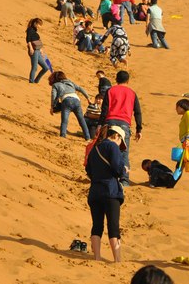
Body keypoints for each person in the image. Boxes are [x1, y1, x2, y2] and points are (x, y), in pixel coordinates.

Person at [85, 125, 127, 262]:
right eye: (121, 142)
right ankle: (117, 259)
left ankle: (96, 257)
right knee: (113, 226)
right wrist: (124, 170)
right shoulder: (112, 146)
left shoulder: (94, 148)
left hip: (95, 191)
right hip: (110, 191)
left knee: (97, 225)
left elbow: (89, 170)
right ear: (117, 136)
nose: (120, 146)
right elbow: (117, 167)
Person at [99, 70, 142, 186]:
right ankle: (124, 180)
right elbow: (137, 112)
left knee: (108, 150)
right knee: (124, 152)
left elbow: (105, 110)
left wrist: (100, 124)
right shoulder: (132, 93)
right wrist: (139, 129)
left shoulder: (110, 90)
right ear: (128, 81)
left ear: (116, 79)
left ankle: (108, 176)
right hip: (124, 124)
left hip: (110, 123)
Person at [49, 71, 92, 140]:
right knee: (81, 121)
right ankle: (88, 138)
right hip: (76, 100)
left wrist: (52, 107)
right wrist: (88, 98)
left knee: (64, 120)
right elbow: (80, 88)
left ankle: (63, 136)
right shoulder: (70, 82)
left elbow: (53, 96)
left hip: (66, 101)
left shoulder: (56, 85)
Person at [26, 18, 49, 84]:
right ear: (35, 23)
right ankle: (31, 81)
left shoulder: (35, 30)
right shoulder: (30, 30)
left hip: (38, 51)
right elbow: (28, 40)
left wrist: (41, 50)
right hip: (34, 51)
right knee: (35, 67)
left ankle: (36, 81)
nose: (40, 26)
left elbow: (37, 41)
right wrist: (30, 48)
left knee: (46, 68)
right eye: (39, 25)